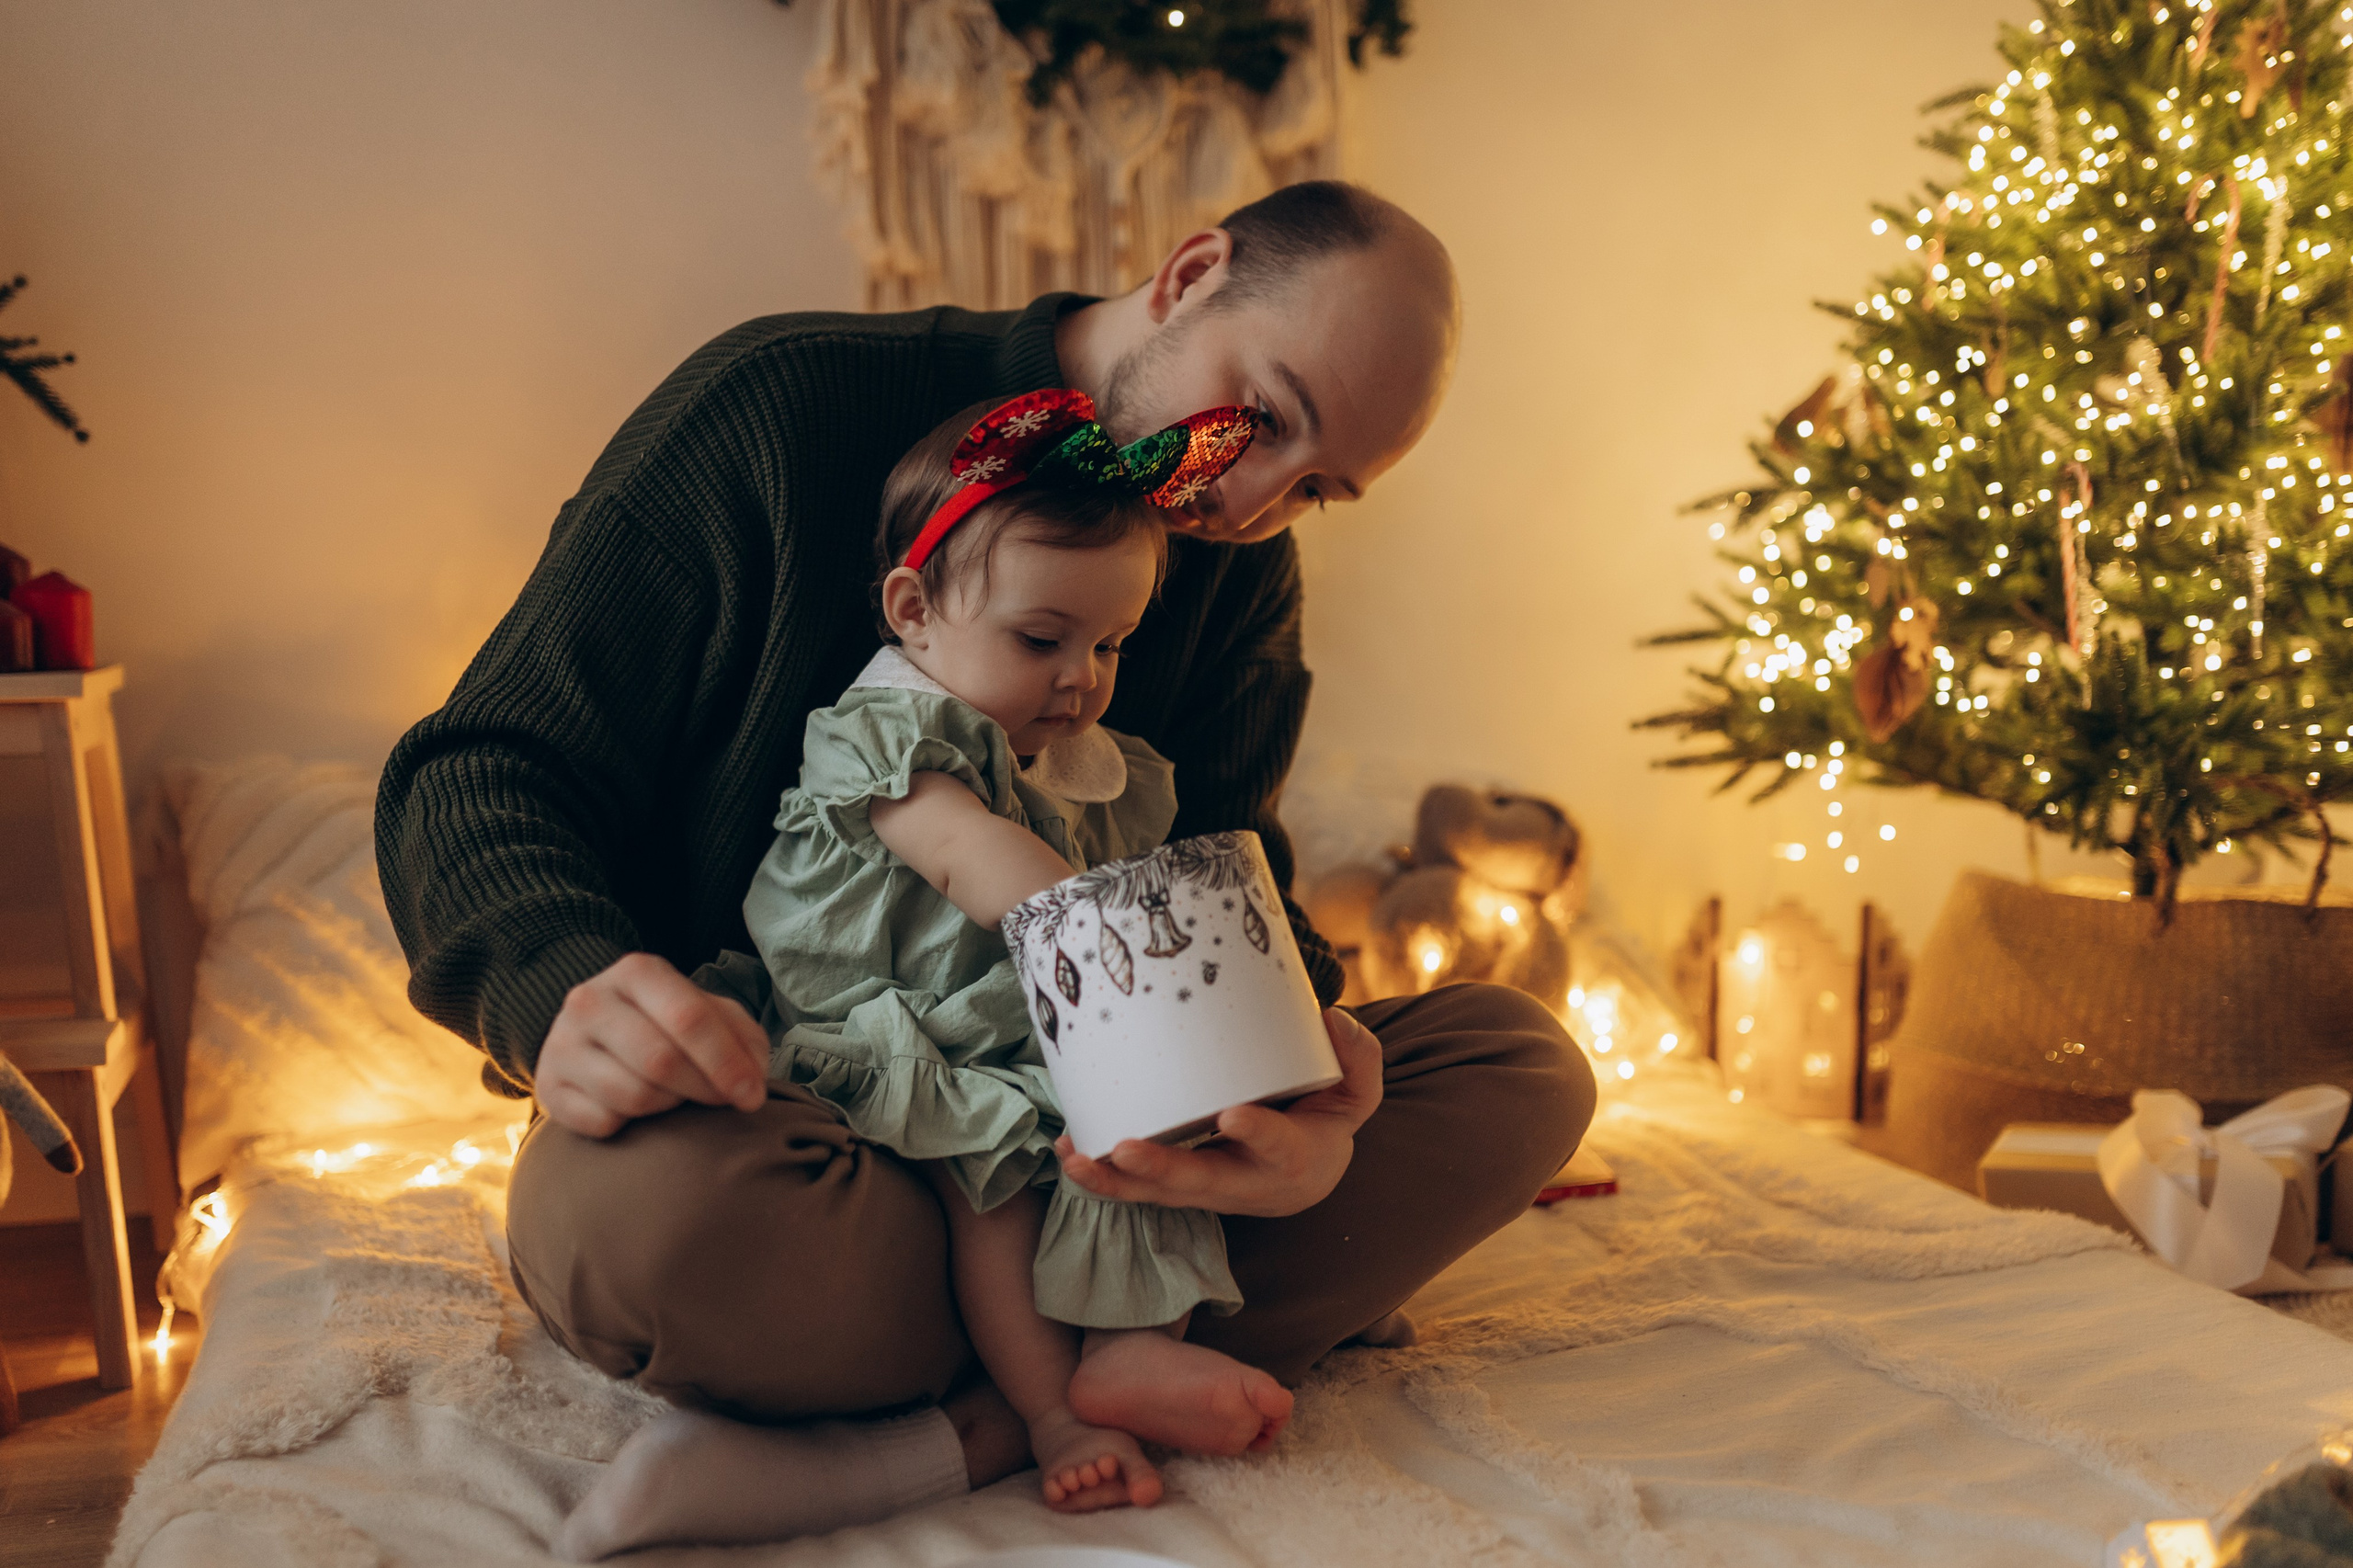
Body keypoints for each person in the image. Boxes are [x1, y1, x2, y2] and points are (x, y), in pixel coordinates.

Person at [375, 180, 1597, 1554]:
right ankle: (1071, 1367)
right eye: (1263, 411)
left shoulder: (1236, 566)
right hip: (790, 1124)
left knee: (1521, 1063)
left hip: (1090, 1130)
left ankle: (1000, 1397)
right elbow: (477, 766)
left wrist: (1302, 1095)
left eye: (1316, 487)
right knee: (643, 1237)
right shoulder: (777, 412)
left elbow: (1230, 870)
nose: (1246, 496)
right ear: (1192, 273)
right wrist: (566, 990)